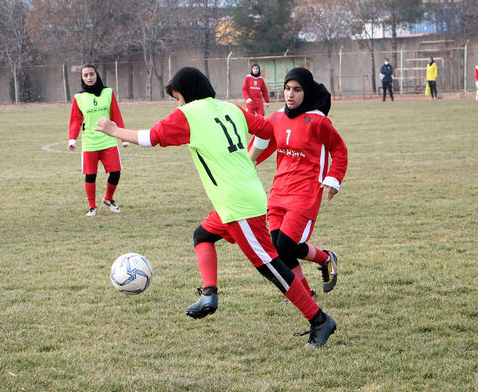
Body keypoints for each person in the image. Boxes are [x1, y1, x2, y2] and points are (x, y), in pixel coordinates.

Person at [94, 67, 337, 348]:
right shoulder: (229, 108)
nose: (178, 104)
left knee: (271, 267)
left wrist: (114, 130)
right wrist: (248, 157)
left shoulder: (190, 113)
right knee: (203, 236)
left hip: (238, 204)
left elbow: (151, 137)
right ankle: (209, 293)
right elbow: (268, 129)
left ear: (186, 93)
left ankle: (319, 320)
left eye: (177, 98)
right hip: (242, 196)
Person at [248, 67, 348, 299]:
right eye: (287, 89)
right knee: (277, 248)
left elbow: (339, 151)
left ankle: (325, 260)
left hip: (305, 193)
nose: (290, 94)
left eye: (297, 89)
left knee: (286, 245)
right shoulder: (275, 118)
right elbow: (263, 146)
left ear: (307, 92)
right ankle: (306, 293)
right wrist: (246, 163)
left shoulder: (318, 122)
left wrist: (333, 179)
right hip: (279, 191)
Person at [68, 64, 127, 217]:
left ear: (97, 75)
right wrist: (72, 139)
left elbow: (116, 114)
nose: (89, 77)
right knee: (90, 175)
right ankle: (92, 207)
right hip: (90, 143)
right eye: (85, 75)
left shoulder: (108, 92)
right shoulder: (78, 97)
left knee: (115, 172)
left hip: (108, 140)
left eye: (92, 74)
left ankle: (108, 199)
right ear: (82, 78)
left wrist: (123, 136)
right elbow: (75, 120)